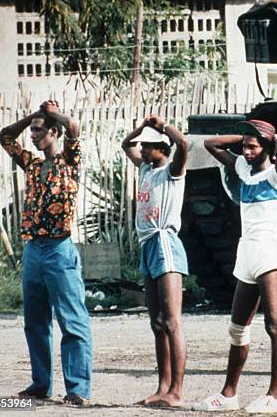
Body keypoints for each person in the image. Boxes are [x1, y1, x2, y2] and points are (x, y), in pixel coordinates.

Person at [0, 101, 92, 405]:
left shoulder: (70, 162)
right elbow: (5, 137)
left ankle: (77, 388)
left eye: (40, 131)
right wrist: (31, 118)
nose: (34, 137)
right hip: (34, 250)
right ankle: (41, 384)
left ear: (54, 132)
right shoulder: (34, 165)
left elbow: (74, 128)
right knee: (35, 321)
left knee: (72, 321)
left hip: (59, 249)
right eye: (33, 132)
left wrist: (52, 114)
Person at [198, 119, 277, 414]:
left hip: (267, 251)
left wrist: (268, 136)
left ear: (266, 149)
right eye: (244, 147)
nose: (247, 151)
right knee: (238, 329)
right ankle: (229, 394)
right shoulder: (241, 167)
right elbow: (209, 144)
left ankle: (274, 395)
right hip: (246, 251)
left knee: (274, 325)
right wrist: (248, 134)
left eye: (253, 147)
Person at [121, 115, 189, 407]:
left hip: (165, 243)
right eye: (144, 146)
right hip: (148, 245)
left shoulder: (172, 171)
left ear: (163, 148)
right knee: (157, 322)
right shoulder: (146, 170)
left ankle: (176, 390)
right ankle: (162, 386)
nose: (143, 150)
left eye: (149, 146)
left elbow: (183, 143)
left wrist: (163, 128)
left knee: (173, 322)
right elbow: (126, 144)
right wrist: (142, 128)